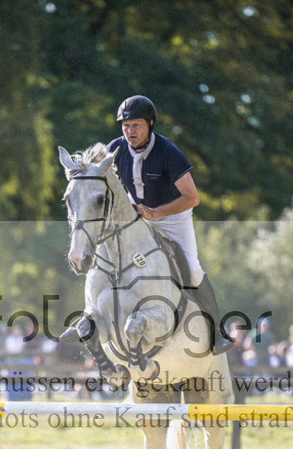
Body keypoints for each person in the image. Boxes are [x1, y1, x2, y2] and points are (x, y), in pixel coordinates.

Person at [61, 95, 233, 354]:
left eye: (136, 125)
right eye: (126, 125)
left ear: (150, 124)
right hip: (135, 211)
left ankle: (217, 332)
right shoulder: (116, 148)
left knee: (194, 270)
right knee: (103, 252)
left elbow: (192, 197)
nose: (130, 131)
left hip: (173, 214)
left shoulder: (167, 152)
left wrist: (154, 212)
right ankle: (88, 319)